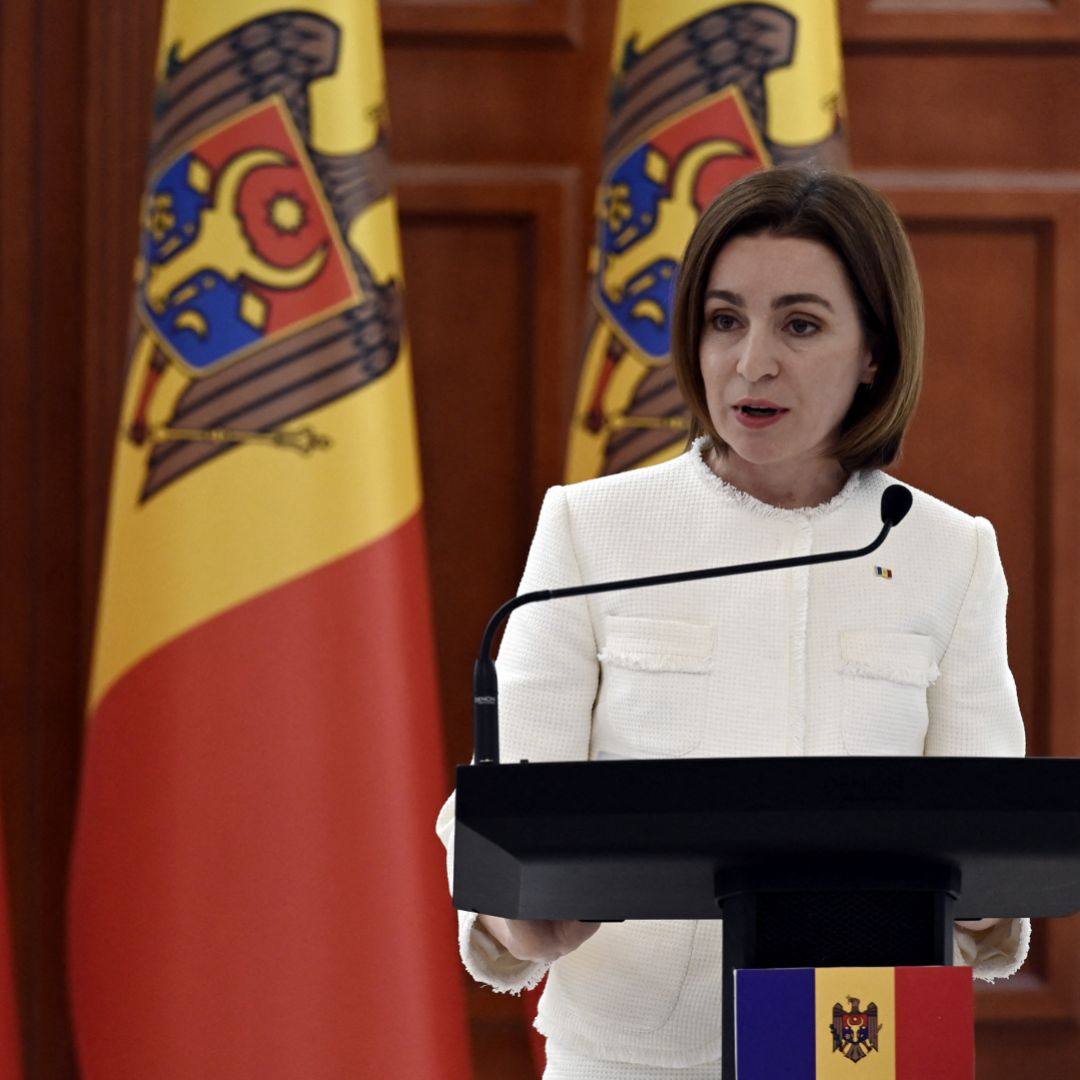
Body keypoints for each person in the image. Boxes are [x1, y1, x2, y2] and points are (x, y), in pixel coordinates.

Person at [436, 167, 1028, 1079]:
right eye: (725, 320)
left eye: (800, 324)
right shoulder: (593, 529)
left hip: (856, 1044)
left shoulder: (946, 550)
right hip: (631, 1057)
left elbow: (990, 840)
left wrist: (982, 893)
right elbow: (509, 808)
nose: (752, 362)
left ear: (874, 349)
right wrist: (521, 912)